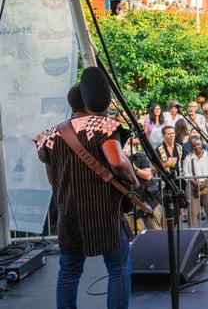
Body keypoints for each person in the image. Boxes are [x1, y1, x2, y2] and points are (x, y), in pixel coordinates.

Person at [35, 71, 139, 309]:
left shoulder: (50, 134)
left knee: (69, 271)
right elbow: (117, 161)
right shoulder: (103, 126)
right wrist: (133, 180)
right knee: (118, 268)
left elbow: (52, 179)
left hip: (69, 213)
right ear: (91, 100)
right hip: (104, 213)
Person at [183, 137, 208, 226]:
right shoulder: (188, 158)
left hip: (207, 184)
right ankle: (192, 231)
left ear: (201, 144)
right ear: (191, 147)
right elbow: (186, 173)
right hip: (192, 185)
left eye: (198, 144)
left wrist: (205, 182)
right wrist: (195, 183)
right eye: (194, 146)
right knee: (192, 211)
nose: (196, 147)